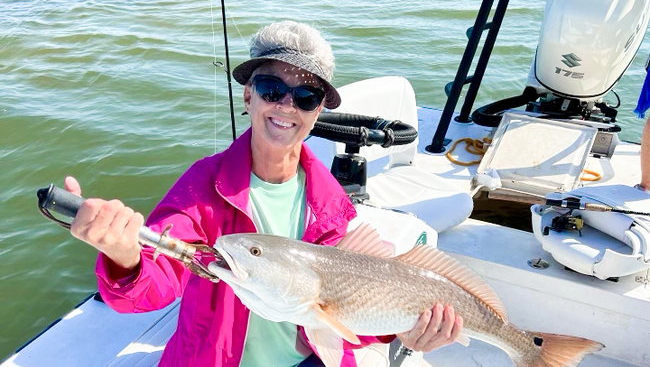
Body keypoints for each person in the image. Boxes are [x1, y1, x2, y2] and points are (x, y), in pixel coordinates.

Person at [65, 21, 463, 367]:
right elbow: (154, 286)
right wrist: (124, 256)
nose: (287, 106)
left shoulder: (329, 201)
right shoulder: (203, 187)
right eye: (272, 89)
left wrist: (406, 332)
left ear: (319, 110)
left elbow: (350, 313)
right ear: (248, 95)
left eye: (306, 96)